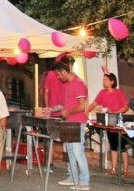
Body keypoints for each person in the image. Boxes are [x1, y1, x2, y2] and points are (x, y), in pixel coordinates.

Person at [50, 62, 89, 190]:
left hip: (77, 123)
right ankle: (73, 177)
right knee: (70, 152)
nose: (57, 77)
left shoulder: (78, 84)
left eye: (58, 74)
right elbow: (66, 104)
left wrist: (68, 112)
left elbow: (81, 106)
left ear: (64, 72)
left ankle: (84, 181)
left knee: (78, 152)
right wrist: (51, 109)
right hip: (69, 122)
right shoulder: (69, 84)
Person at [86, 72, 129, 176]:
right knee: (113, 146)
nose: (103, 82)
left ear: (112, 81)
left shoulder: (118, 93)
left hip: (118, 122)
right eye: (103, 80)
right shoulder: (102, 93)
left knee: (122, 146)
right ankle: (114, 168)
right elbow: (94, 103)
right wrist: (87, 110)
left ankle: (126, 169)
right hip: (108, 123)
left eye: (105, 80)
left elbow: (126, 106)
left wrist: (114, 112)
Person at [43, 55, 70, 173]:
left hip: (54, 111)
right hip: (66, 111)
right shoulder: (67, 77)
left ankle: (50, 164)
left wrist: (47, 107)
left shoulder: (49, 74)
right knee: (68, 139)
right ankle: (69, 165)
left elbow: (46, 92)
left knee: (51, 139)